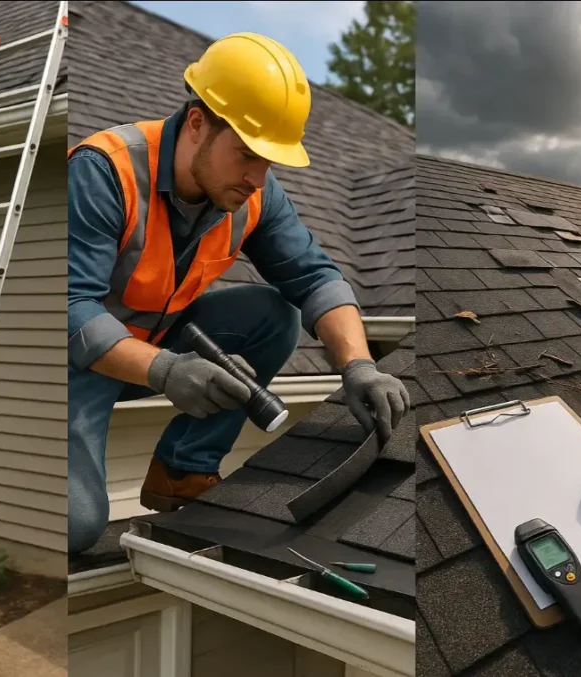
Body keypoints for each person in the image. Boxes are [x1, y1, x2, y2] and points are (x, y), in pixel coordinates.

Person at [67, 32, 411, 555]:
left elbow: (316, 278)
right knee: (77, 526)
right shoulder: (105, 171)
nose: (257, 177)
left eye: (269, 161)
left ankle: (183, 471)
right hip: (75, 365)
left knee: (273, 314)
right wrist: (166, 369)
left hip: (158, 343)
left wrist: (359, 366)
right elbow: (73, 311)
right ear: (198, 121)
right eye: (247, 154)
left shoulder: (253, 193)